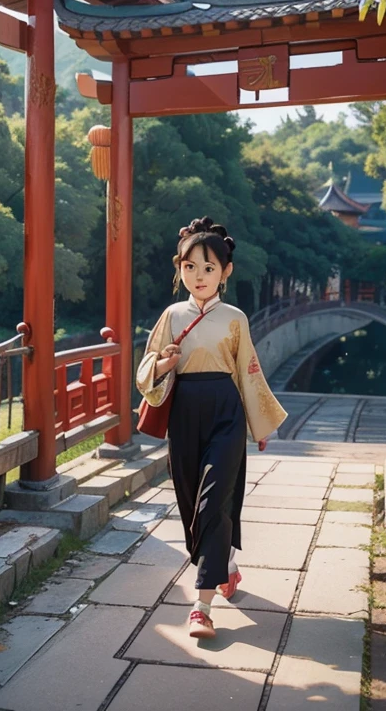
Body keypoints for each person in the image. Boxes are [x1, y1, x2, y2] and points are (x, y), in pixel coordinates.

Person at [136, 217, 287, 639]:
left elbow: (249, 373)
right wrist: (164, 364)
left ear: (226, 271)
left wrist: (259, 424)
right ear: (179, 268)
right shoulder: (171, 315)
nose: (198, 277)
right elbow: (146, 369)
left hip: (225, 413)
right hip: (184, 413)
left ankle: (201, 606)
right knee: (190, 506)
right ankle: (227, 568)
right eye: (189, 267)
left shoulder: (235, 318)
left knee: (212, 502)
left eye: (208, 268)